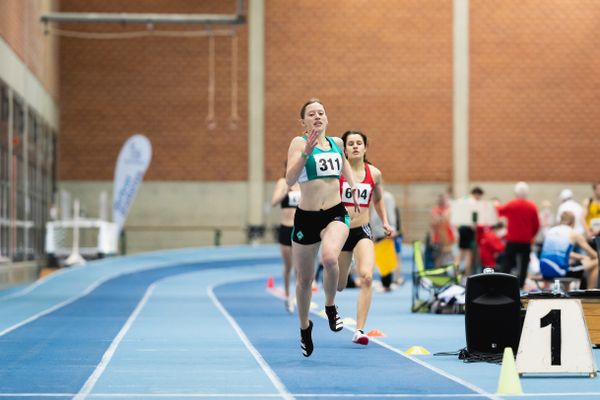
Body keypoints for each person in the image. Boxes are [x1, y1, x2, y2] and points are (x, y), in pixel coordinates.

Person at [285, 98, 359, 357]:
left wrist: (351, 188)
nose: (317, 117)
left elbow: (345, 164)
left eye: (321, 113)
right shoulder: (298, 143)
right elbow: (290, 179)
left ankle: (330, 306)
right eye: (312, 114)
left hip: (335, 213)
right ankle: (305, 327)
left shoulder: (337, 143)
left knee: (329, 258)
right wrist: (306, 150)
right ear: (303, 121)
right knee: (304, 280)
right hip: (306, 217)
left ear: (327, 118)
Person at [336, 130, 393, 346]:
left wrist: (385, 222)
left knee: (367, 276)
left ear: (365, 148)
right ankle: (333, 295)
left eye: (359, 143)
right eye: (350, 143)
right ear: (345, 149)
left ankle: (359, 330)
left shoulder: (374, 173)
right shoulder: (338, 173)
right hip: (340, 231)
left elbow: (378, 200)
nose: (355, 146)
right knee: (340, 285)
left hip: (362, 230)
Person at [496, 181, 540, 288]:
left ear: (515, 193)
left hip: (512, 240)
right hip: (526, 241)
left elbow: (499, 211)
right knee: (524, 265)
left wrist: (495, 204)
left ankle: (503, 283)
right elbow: (537, 225)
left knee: (507, 263)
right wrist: (531, 236)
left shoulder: (511, 204)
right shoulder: (532, 206)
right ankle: (520, 285)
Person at [539, 211, 598, 289]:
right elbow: (594, 255)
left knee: (570, 264)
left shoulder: (551, 231)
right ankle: (591, 294)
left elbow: (565, 253)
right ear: (573, 222)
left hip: (543, 270)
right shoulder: (573, 233)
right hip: (559, 272)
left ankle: (568, 294)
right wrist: (588, 258)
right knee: (597, 261)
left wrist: (583, 258)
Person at [270, 163, 301, 313]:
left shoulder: (304, 183)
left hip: (299, 229)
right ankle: (287, 295)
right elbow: (274, 202)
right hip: (285, 227)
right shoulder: (282, 182)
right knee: (288, 265)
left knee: (298, 266)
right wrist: (285, 191)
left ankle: (295, 297)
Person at [456, 187, 484, 277]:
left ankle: (456, 274)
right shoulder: (474, 203)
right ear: (477, 194)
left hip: (461, 228)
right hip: (468, 229)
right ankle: (466, 275)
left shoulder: (463, 199)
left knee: (460, 252)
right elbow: (474, 220)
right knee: (468, 253)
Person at [430, 192, 456, 268]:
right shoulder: (435, 209)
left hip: (448, 237)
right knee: (438, 257)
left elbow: (448, 220)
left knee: (451, 256)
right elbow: (435, 222)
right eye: (444, 199)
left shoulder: (449, 209)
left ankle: (453, 273)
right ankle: (438, 273)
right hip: (438, 237)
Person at [583, 182, 600, 248]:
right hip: (591, 233)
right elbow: (582, 218)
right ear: (594, 190)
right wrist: (588, 231)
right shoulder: (589, 202)